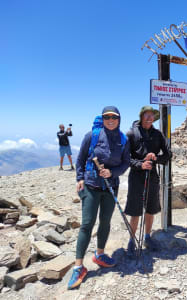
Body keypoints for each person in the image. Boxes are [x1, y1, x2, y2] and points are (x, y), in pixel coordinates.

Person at [68, 106, 130, 290]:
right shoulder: (92, 135)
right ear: (102, 119)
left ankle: (99, 254)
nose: (110, 120)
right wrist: (79, 178)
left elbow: (126, 162)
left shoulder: (123, 139)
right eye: (107, 117)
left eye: (114, 117)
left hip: (111, 186)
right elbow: (80, 159)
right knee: (87, 224)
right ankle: (78, 266)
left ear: (119, 119)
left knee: (105, 222)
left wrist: (112, 172)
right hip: (91, 186)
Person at [125, 106, 172, 254]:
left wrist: (155, 158)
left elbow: (168, 154)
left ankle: (147, 237)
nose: (150, 117)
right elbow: (126, 158)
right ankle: (132, 240)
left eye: (152, 115)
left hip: (152, 175)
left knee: (151, 208)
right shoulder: (131, 134)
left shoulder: (158, 134)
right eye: (147, 115)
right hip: (136, 176)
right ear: (141, 116)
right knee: (135, 210)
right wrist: (140, 164)